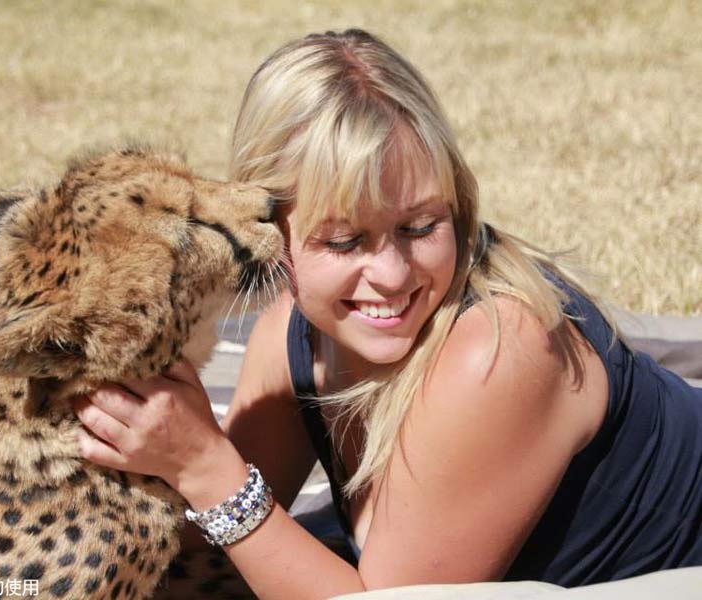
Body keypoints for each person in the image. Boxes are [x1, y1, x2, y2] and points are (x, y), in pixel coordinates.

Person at [72, 29, 702, 597]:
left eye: (421, 226)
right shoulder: (290, 335)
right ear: (268, 227)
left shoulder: (498, 349)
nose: (394, 275)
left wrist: (206, 468)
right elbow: (205, 554)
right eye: (343, 241)